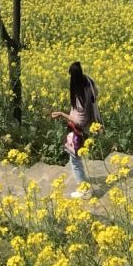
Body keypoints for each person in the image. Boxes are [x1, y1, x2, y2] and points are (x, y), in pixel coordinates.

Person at [50, 61, 100, 192]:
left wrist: (62, 114)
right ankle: (82, 184)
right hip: (85, 125)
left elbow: (79, 121)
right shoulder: (89, 81)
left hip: (77, 129)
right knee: (75, 158)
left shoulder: (79, 95)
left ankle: (83, 189)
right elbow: (96, 94)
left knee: (75, 160)